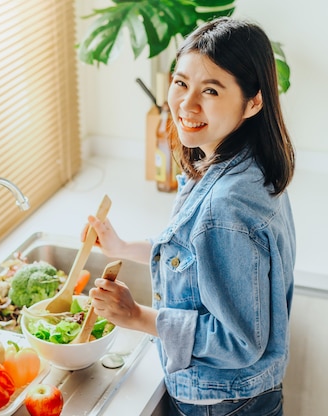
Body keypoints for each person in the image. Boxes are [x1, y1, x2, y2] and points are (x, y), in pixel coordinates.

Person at [83, 17, 296, 416]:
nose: (186, 104)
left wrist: (136, 316)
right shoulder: (246, 163)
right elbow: (194, 259)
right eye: (181, 83)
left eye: (211, 90)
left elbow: (239, 341)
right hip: (243, 396)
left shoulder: (226, 207)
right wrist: (121, 247)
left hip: (220, 403)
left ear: (254, 100)